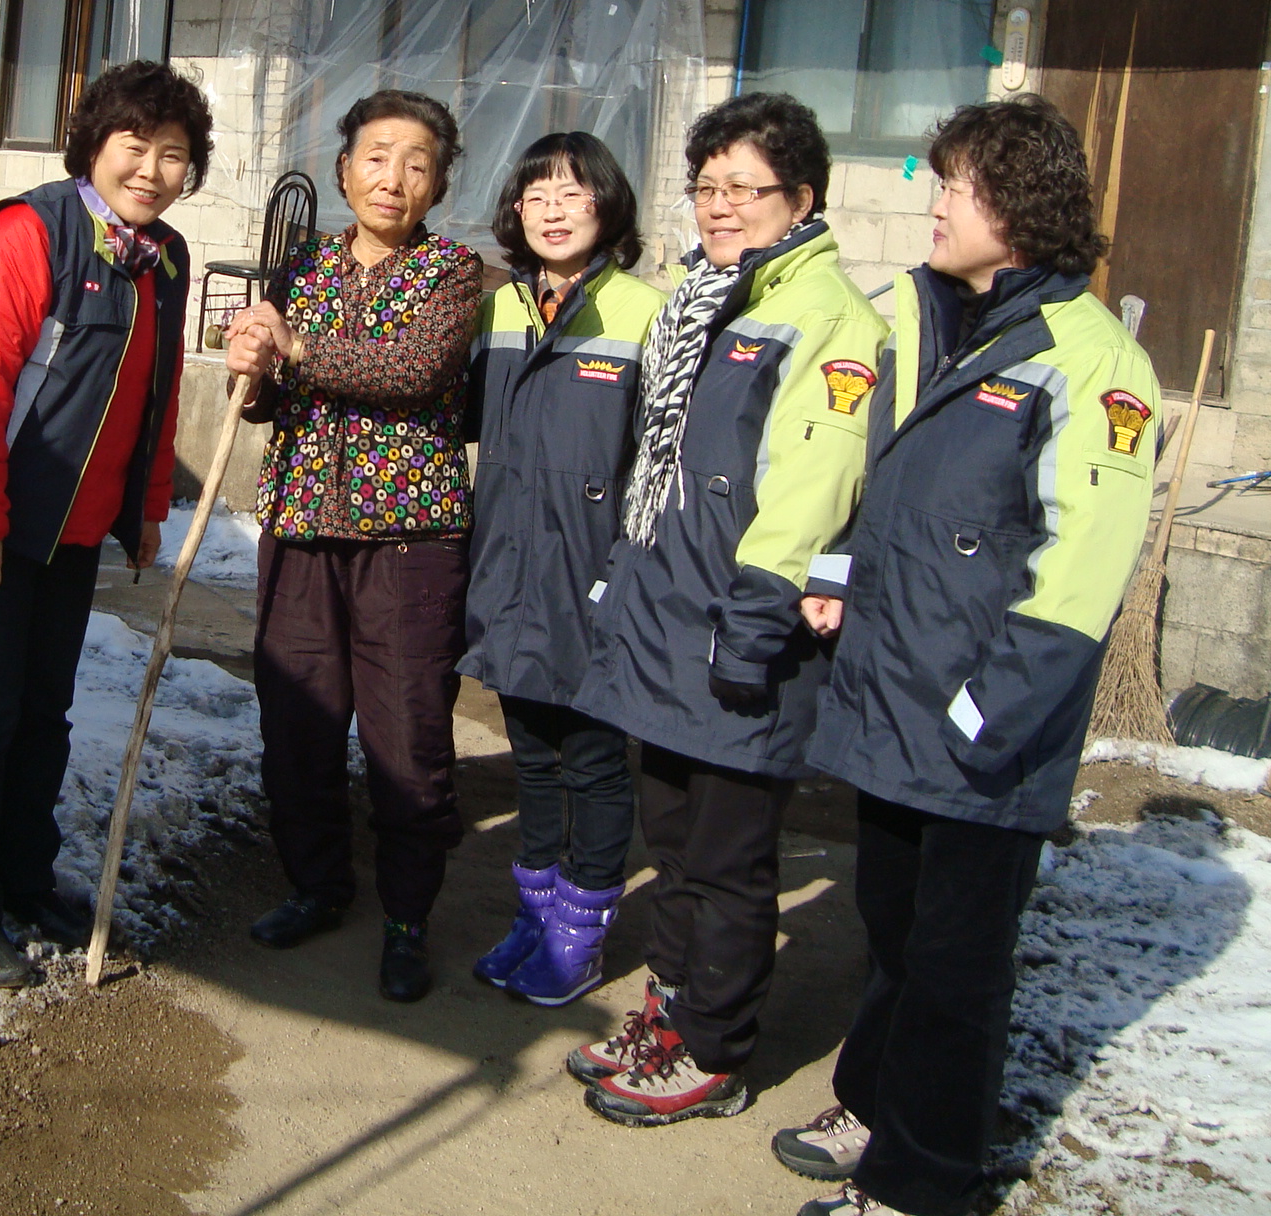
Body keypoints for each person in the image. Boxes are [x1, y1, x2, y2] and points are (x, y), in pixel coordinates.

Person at [773, 96, 1159, 1216]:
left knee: (954, 967)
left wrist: (982, 715)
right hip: (896, 700)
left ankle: (921, 1182)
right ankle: (871, 1101)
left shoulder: (1090, 361)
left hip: (981, 726)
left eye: (954, 187)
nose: (932, 205)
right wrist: (837, 575)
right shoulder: (935, 321)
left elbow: (1079, 576)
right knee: (895, 933)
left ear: (1019, 207)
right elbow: (885, 483)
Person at [571, 92, 888, 1125]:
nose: (718, 206)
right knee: (672, 841)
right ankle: (669, 1011)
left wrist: (753, 622)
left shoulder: (827, 318)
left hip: (739, 624)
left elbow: (812, 487)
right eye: (706, 186)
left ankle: (712, 1050)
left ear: (801, 199)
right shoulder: (706, 300)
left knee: (726, 855)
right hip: (669, 614)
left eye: (744, 188)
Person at [0, 61, 213, 989]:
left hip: (73, 528)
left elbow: (156, 397)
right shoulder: (27, 233)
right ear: (92, 144)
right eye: (136, 145)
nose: (152, 170)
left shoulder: (163, 258)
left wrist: (146, 508)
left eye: (174, 154)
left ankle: (25, 877)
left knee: (45, 711)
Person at [224, 90, 484, 1004]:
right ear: (344, 172)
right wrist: (253, 366)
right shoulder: (300, 269)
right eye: (376, 156)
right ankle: (317, 884)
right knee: (297, 726)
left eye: (417, 163)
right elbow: (267, 400)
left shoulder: (455, 274)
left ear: (438, 185)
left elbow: (416, 370)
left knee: (407, 735)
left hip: (408, 540)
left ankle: (408, 917)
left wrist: (296, 348)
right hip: (300, 526)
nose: (393, 178)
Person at [459, 132, 664, 1006]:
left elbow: (660, 466)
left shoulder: (646, 315)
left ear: (607, 207)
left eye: (572, 193)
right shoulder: (501, 309)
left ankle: (580, 932)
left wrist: (624, 572)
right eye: (536, 194)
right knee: (533, 758)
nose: (551, 210)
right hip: (509, 569)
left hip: (591, 576)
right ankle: (536, 915)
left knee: (594, 760)